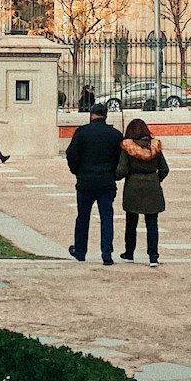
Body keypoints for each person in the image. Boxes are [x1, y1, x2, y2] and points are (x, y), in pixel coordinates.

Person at [65, 102, 123, 266]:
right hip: (106, 180)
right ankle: (107, 253)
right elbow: (121, 159)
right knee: (106, 217)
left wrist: (76, 171)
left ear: (91, 114)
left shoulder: (82, 133)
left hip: (86, 180)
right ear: (106, 115)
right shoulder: (115, 135)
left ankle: (80, 251)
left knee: (83, 216)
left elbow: (71, 154)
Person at [118, 117, 169, 266]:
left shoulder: (128, 148)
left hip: (133, 185)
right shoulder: (155, 147)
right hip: (152, 185)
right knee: (152, 223)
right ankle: (153, 256)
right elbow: (164, 169)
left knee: (131, 222)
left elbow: (122, 169)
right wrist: (155, 179)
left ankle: (129, 253)